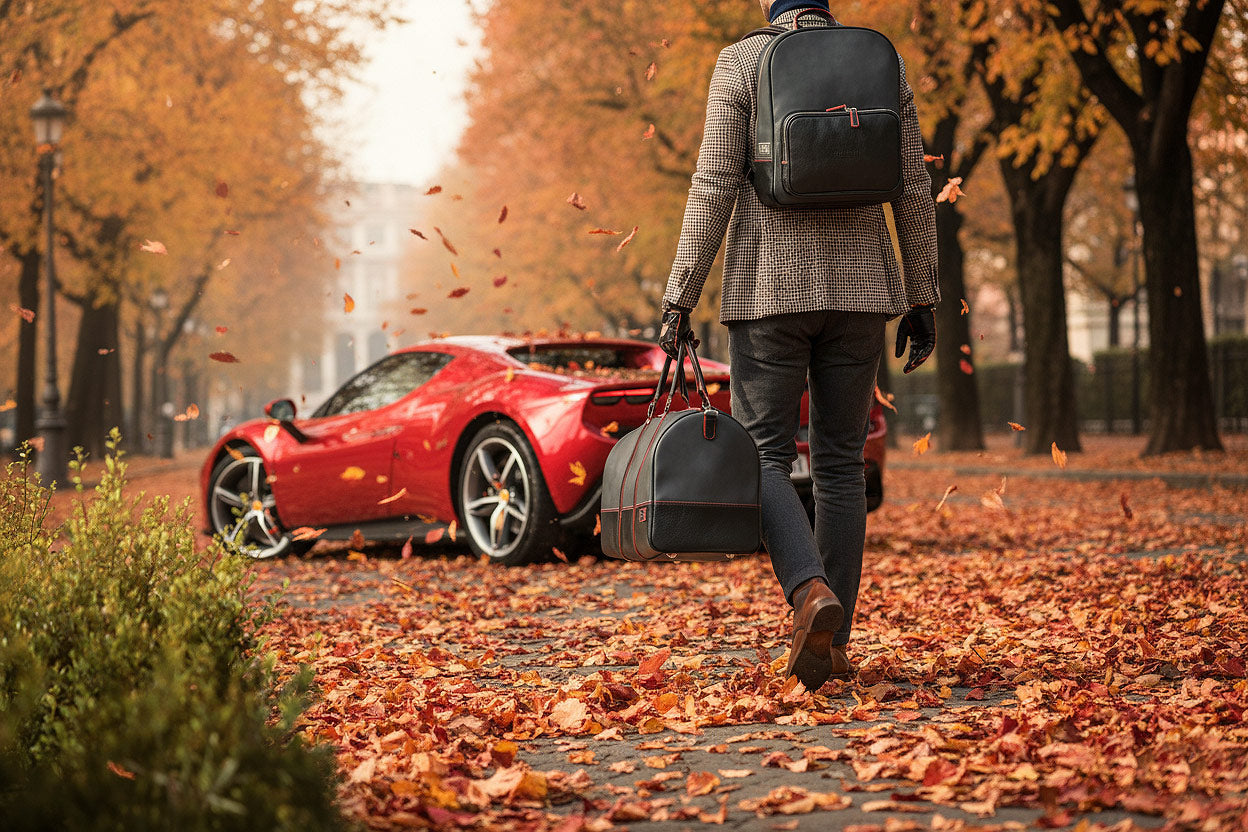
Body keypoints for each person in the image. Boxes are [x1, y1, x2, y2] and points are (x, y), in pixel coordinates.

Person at [658, 0, 939, 692]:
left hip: (768, 289)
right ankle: (832, 646)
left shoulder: (741, 61)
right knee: (842, 465)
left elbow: (715, 184)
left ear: (768, 3)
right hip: (861, 290)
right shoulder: (880, 60)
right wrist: (921, 292)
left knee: (763, 456)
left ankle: (809, 594)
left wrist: (680, 293)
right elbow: (913, 185)